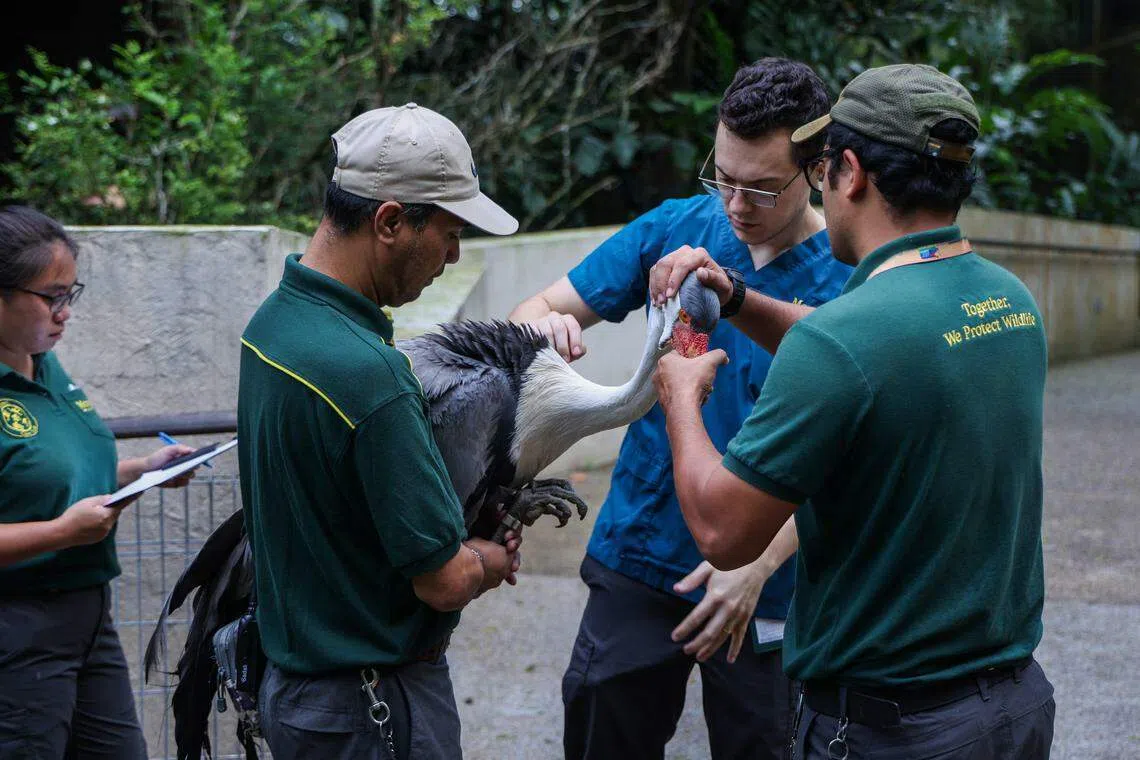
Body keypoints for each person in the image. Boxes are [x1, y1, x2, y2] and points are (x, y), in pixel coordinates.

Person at [650, 63, 1055, 759]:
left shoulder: (844, 342)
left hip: (889, 727)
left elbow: (723, 533)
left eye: (821, 166)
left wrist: (680, 398)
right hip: (1010, 709)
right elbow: (872, 360)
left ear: (852, 173)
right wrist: (742, 300)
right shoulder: (1008, 302)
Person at [509, 58, 852, 759]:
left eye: (760, 189)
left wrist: (755, 563)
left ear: (819, 170)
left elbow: (854, 450)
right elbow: (532, 310)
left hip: (771, 583)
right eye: (723, 177)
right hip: (642, 548)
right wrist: (544, 331)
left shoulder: (850, 278)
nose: (734, 206)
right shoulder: (676, 229)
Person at [237, 103, 523, 760]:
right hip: (370, 710)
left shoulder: (271, 327)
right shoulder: (372, 378)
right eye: (450, 232)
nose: (454, 255)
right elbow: (444, 580)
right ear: (390, 221)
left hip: (297, 698)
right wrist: (493, 557)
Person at [0, 205, 197, 758]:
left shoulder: (44, 365)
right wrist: (62, 533)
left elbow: (46, 476)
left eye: (71, 293)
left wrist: (142, 472)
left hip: (87, 615)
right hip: (19, 625)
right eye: (51, 296)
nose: (65, 312)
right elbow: (54, 511)